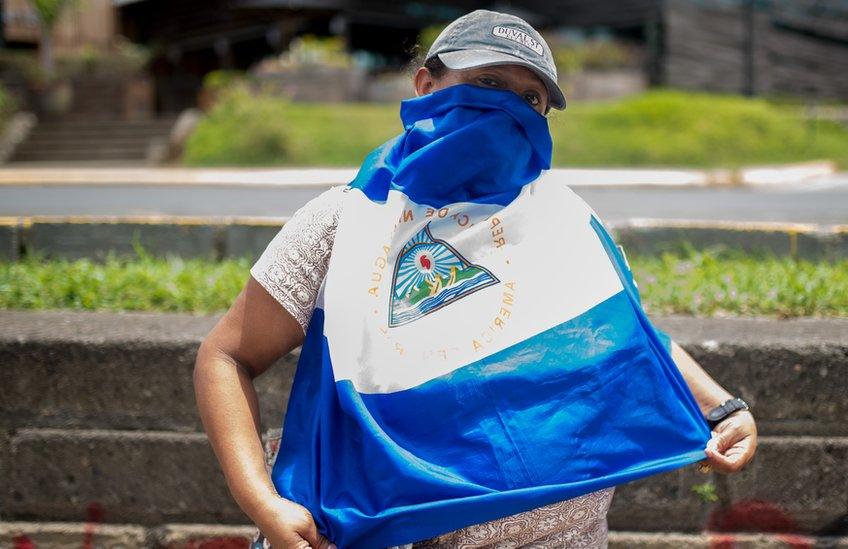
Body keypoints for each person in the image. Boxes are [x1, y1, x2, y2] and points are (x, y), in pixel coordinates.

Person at [194, 9, 757, 549]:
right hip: (370, 533)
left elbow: (622, 338)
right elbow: (226, 355)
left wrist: (722, 407)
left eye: (529, 99)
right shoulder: (342, 222)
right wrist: (262, 501)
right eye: (487, 81)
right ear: (425, 85)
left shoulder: (568, 225)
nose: (507, 108)